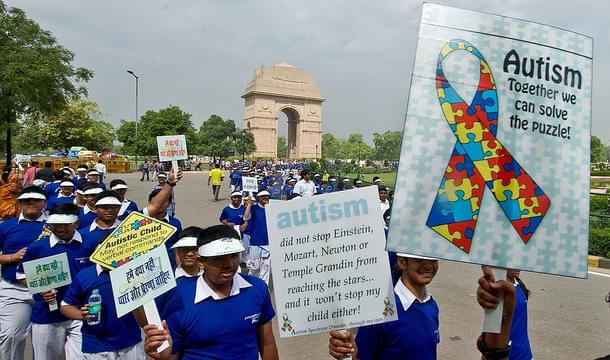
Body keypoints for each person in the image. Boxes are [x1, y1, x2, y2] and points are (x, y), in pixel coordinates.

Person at [142, 225, 279, 360]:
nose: (228, 264)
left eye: (233, 256)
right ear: (201, 261)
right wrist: (163, 356)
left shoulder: (257, 289)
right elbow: (171, 355)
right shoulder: (179, 301)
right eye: (218, 258)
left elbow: (267, 342)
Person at [16, 204, 95, 360]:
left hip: (81, 313)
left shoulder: (90, 244)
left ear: (76, 223)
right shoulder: (37, 247)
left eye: (65, 225)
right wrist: (40, 289)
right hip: (47, 315)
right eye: (55, 225)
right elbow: (20, 276)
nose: (59, 229)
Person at [329, 253, 440, 360]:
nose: (428, 266)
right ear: (402, 262)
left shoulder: (432, 305)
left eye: (433, 259)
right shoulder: (379, 311)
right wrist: (348, 354)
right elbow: (360, 356)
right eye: (419, 259)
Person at [60, 259, 144, 359]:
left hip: (131, 341)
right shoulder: (84, 276)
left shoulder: (131, 271)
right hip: (97, 345)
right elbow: (65, 306)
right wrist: (81, 315)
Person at [0, 186, 48, 360]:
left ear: (44, 202)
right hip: (14, 290)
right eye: (26, 200)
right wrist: (13, 257)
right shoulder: (6, 227)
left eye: (36, 200)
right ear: (19, 203)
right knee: (10, 336)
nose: (31, 203)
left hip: (49, 289)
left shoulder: (55, 224)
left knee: (47, 343)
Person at [477, 268, 533, 360]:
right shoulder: (497, 290)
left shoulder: (518, 283)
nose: (518, 267)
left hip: (525, 353)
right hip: (505, 354)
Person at [244, 190, 271, 284]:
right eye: (263, 196)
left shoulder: (272, 208)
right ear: (258, 198)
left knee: (266, 268)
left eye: (267, 196)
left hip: (268, 243)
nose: (265, 198)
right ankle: (250, 285)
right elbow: (245, 218)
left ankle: (263, 290)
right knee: (254, 267)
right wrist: (249, 205)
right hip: (255, 242)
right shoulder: (254, 208)